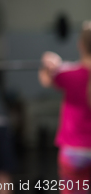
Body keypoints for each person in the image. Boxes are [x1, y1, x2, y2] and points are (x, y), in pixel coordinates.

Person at [39, 21, 91, 193]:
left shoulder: (69, 74)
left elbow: (45, 79)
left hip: (74, 152)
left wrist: (49, 61)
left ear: (80, 45)